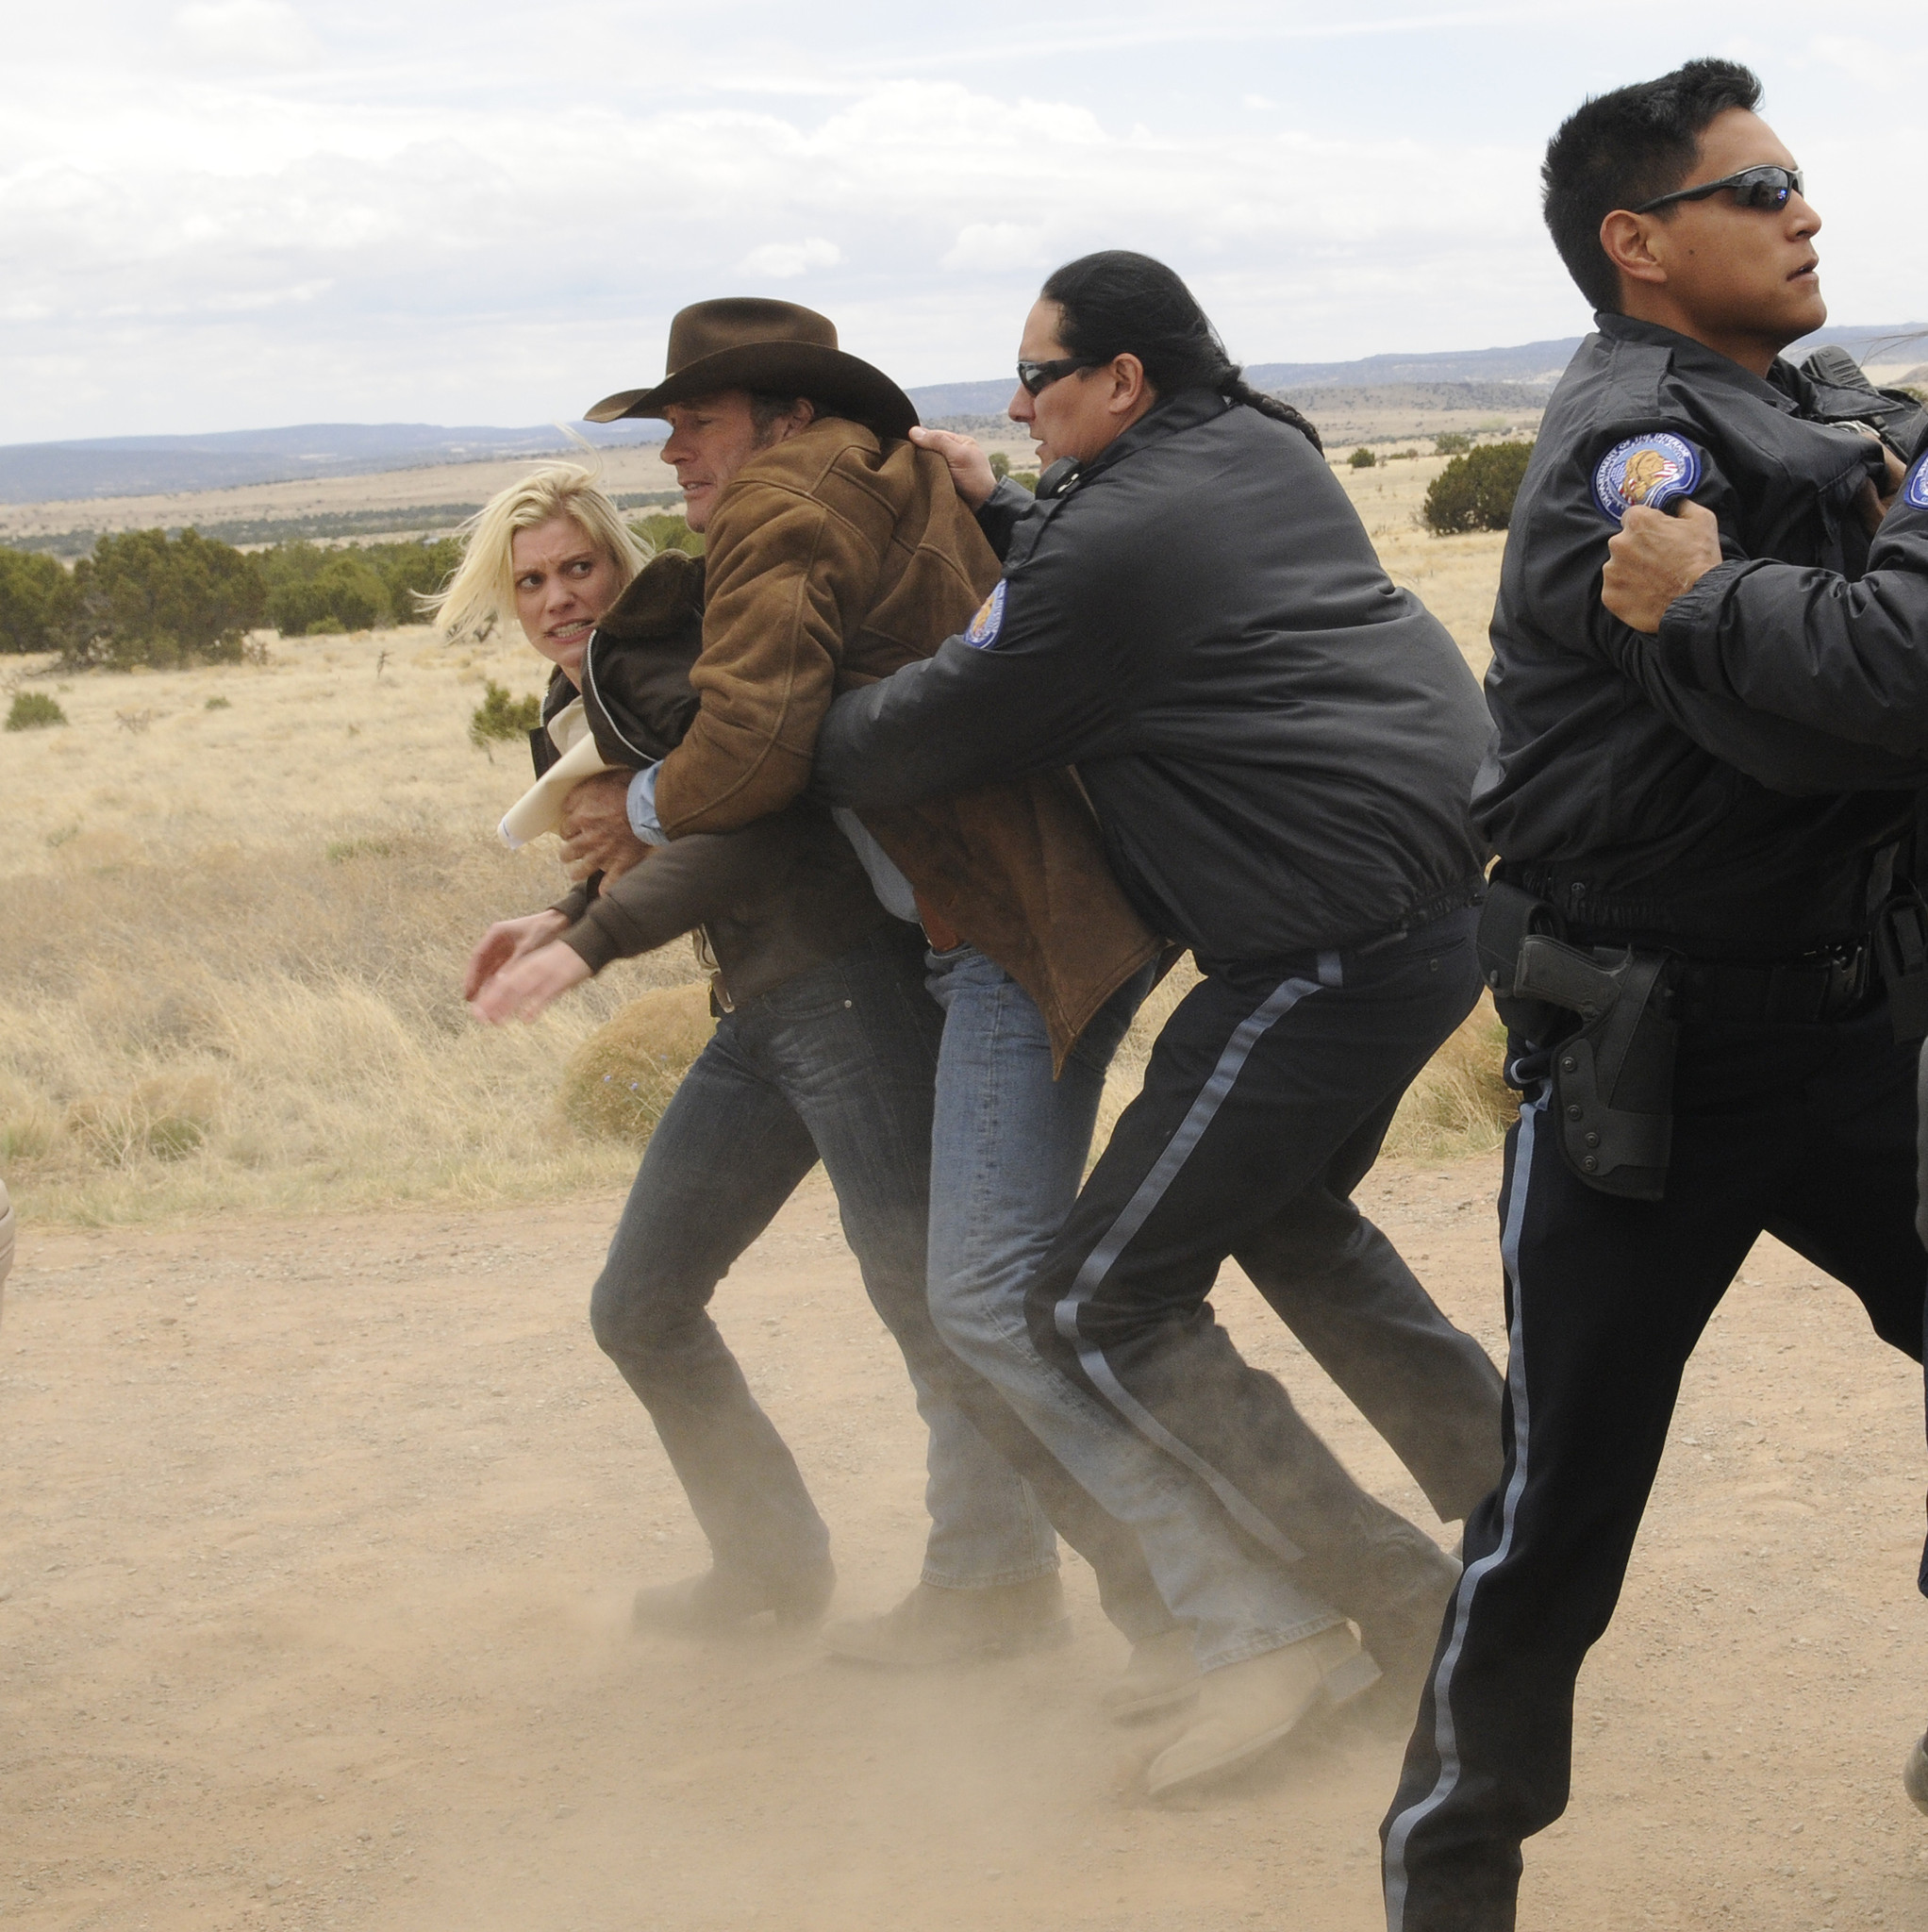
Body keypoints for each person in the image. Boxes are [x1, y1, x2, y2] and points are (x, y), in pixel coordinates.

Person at [813, 250, 1505, 1793]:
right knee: (1288, 1218)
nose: (1010, 401)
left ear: (1120, 381)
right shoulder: (1254, 438)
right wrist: (1006, 502)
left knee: (1087, 1300)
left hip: (1319, 943)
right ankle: (1519, 1516)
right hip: (1437, 904)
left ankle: (1411, 1613)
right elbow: (1092, 560)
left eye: (1036, 377)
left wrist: (780, 724)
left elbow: (911, 736)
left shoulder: (1113, 535)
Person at [1376, 61, 1928, 1930]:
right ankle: (1444, 1877)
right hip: (1649, 1060)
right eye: (1755, 184)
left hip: (1848, 1028)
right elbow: (1841, 704)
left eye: (1796, 179)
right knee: (1554, 1520)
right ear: (1637, 241)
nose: (1804, 210)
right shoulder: (1642, 454)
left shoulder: (1791, 397)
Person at [453, 460, 1172, 1652]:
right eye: (532, 579)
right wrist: (573, 909)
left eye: (579, 566)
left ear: (618, 564)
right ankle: (770, 1561)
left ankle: (1038, 1584)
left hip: (847, 997)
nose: (559, 595)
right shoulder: (575, 703)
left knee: (935, 1305)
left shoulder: (676, 669)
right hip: (758, 1016)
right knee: (641, 1303)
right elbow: (654, 843)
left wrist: (589, 935)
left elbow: (751, 818)